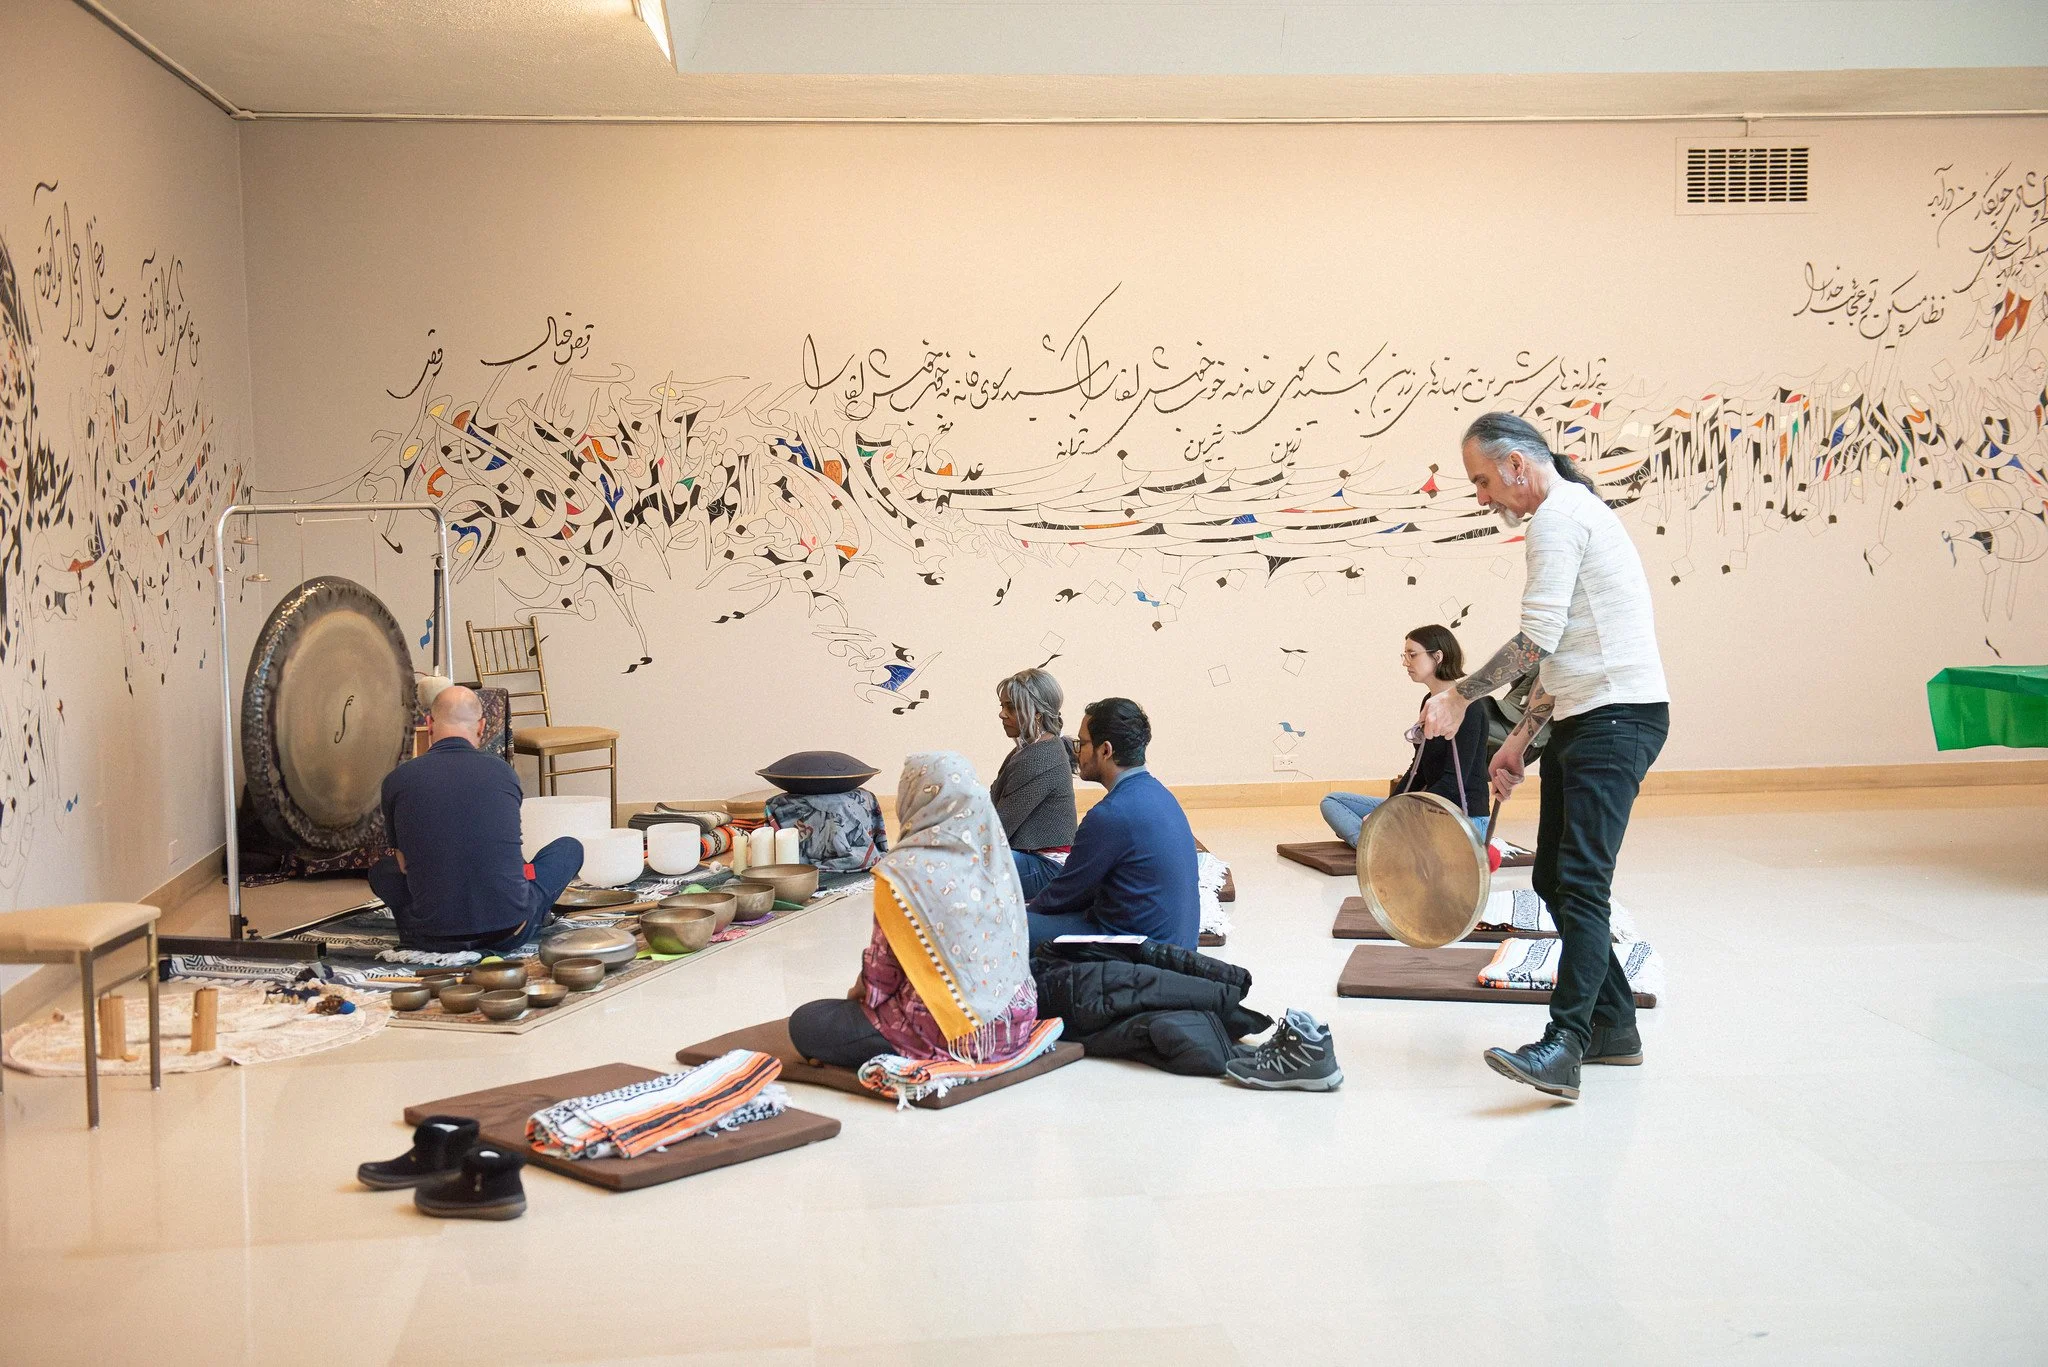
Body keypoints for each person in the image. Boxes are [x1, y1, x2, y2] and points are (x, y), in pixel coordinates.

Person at [1420, 412, 1670, 1102]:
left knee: (1581, 882)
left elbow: (1535, 641)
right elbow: (1559, 659)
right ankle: (1613, 1025)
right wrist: (1519, 742)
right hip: (1589, 717)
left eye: (1482, 480)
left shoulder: (1559, 518)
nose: (1482, 497)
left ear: (1517, 465)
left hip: (1616, 719)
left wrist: (1459, 695)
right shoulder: (1569, 513)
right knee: (1556, 878)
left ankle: (1565, 1045)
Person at [787, 751, 1040, 1069]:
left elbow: (881, 983)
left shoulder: (903, 872)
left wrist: (859, 995)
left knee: (806, 1022)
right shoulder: (994, 856)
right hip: (1014, 1024)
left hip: (953, 1034)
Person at [370, 685, 584, 953]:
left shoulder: (397, 780)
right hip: (509, 930)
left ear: (429, 723)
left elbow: (403, 865)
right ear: (481, 726)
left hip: (432, 936)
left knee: (381, 871)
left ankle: (415, 930)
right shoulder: (503, 773)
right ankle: (536, 915)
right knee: (569, 848)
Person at [1025, 698, 1199, 949]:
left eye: (1082, 743)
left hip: (1138, 953)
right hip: (1175, 946)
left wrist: (1021, 916)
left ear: (1105, 750)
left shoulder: (1110, 815)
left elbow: (1062, 895)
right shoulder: (1160, 794)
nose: (1076, 751)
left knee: (1009, 928)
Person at [1321, 624, 1491, 846]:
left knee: (1390, 823)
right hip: (1427, 807)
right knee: (1333, 801)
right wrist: (1387, 810)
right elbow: (1418, 772)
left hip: (1461, 816)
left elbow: (1452, 784)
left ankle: (1377, 846)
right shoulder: (1429, 702)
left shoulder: (1469, 707)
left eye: (1412, 655)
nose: (1405, 662)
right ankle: (1376, 846)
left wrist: (1398, 812)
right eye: (1405, 655)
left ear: (1438, 657)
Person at [989, 667, 1079, 898]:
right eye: (1002, 706)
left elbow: (998, 827)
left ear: (1037, 713)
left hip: (1048, 867)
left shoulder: (1039, 757)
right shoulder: (1028, 750)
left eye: (1011, 707)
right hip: (1033, 859)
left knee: (958, 865)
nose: (1002, 714)